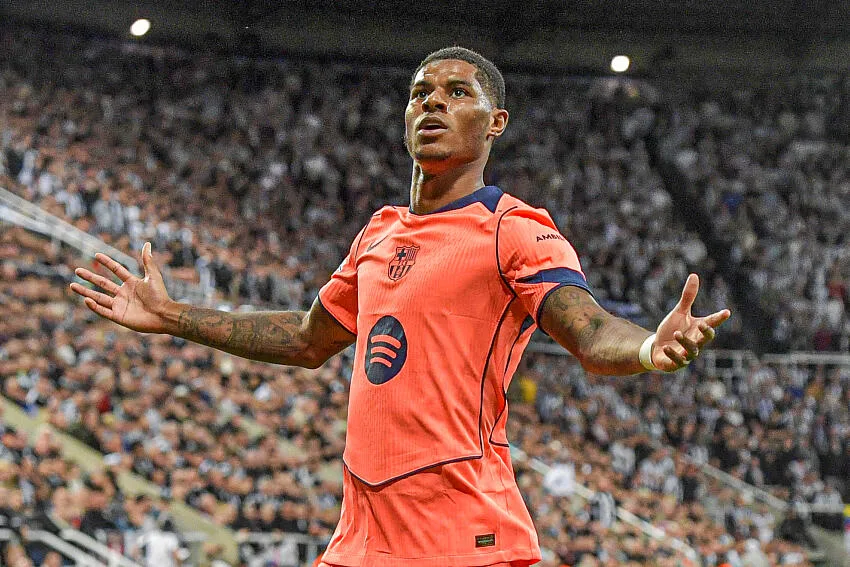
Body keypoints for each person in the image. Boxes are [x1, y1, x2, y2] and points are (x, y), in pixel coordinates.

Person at [70, 46, 731, 567]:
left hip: (461, 535)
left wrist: (651, 347)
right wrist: (173, 316)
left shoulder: (513, 227)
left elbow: (589, 332)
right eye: (420, 94)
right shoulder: (379, 232)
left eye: (458, 92)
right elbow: (306, 339)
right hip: (362, 539)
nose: (433, 102)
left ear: (496, 122)